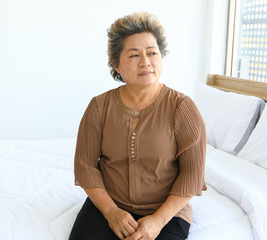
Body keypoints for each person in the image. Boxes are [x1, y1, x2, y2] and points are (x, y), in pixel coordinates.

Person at [69, 12, 206, 240]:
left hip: (167, 212)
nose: (145, 62)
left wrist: (158, 221)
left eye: (152, 53)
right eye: (133, 55)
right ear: (117, 65)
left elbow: (192, 175)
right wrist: (112, 212)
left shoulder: (182, 107)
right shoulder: (99, 107)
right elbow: (85, 167)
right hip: (109, 206)